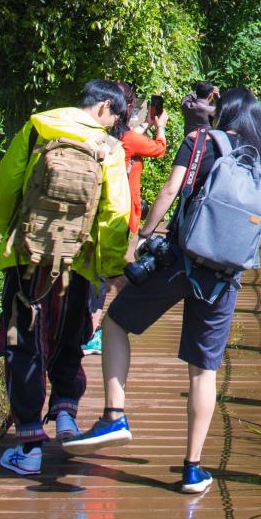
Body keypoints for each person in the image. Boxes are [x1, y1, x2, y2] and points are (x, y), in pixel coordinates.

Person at [66, 86, 261, 495]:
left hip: (179, 260)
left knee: (116, 323)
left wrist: (142, 237)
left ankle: (115, 414)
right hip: (224, 278)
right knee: (203, 372)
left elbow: (170, 192)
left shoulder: (201, 141)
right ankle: (192, 469)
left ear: (224, 112)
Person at [0, 80, 133, 477]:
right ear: (104, 107)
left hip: (29, 259)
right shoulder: (109, 149)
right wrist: (110, 267)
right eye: (115, 117)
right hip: (80, 262)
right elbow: (114, 212)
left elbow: (8, 184)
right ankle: (67, 415)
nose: (114, 124)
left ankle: (30, 445)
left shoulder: (38, 127)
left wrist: (11, 237)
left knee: (25, 343)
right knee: (70, 340)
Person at [84, 88, 170, 355]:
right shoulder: (130, 139)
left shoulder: (102, 133)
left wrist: (145, 125)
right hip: (122, 210)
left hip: (93, 210)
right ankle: (93, 332)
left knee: (91, 271)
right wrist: (161, 128)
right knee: (107, 275)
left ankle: (86, 328)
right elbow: (159, 150)